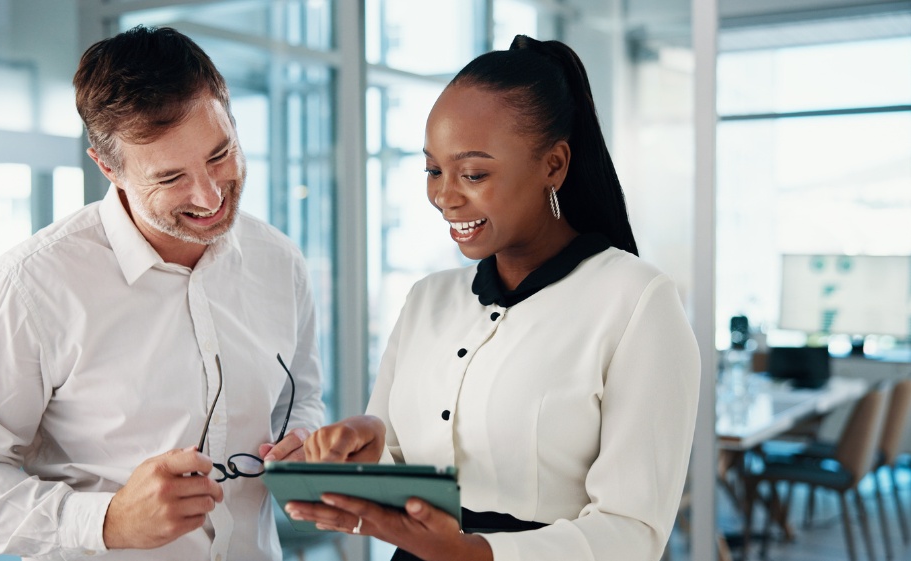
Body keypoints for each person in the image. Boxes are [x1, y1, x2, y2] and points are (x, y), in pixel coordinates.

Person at [287, 35, 700, 561]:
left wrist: (471, 553)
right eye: (433, 170)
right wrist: (367, 462)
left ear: (554, 165)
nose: (445, 196)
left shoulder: (637, 302)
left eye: (474, 173)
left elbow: (634, 531)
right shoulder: (426, 300)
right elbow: (401, 487)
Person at [0, 26, 325, 561]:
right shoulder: (31, 286)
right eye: (171, 177)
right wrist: (105, 521)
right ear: (108, 168)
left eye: (221, 153)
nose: (209, 195)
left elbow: (299, 402)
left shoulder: (280, 261)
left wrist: (301, 447)